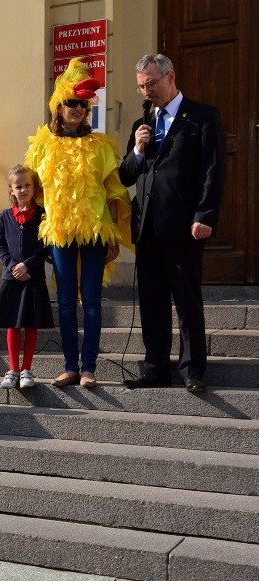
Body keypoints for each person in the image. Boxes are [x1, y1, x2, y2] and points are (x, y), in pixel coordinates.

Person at [118, 54, 226, 394]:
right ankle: (155, 369)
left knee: (186, 301)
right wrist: (137, 150)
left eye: (151, 84)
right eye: (141, 86)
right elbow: (125, 176)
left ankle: (192, 370)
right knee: (152, 302)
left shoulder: (202, 117)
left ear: (170, 77)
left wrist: (205, 215)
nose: (147, 91)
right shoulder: (142, 124)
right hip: (147, 227)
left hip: (184, 226)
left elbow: (213, 170)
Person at [25, 57, 132, 389]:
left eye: (82, 105)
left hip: (96, 232)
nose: (77, 109)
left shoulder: (101, 146)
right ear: (58, 107)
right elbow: (32, 194)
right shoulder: (42, 147)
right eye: (71, 103)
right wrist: (36, 237)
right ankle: (70, 366)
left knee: (92, 301)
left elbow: (115, 191)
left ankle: (89, 368)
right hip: (59, 233)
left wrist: (114, 236)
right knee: (67, 302)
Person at [0, 165, 54, 389]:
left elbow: (46, 246)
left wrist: (27, 265)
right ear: (11, 189)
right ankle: (13, 369)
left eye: (27, 185)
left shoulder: (42, 215)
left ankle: (27, 368)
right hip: (11, 279)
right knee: (13, 324)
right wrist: (12, 267)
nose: (23, 190)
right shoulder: (4, 217)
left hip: (33, 277)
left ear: (34, 187)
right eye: (18, 186)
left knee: (31, 324)